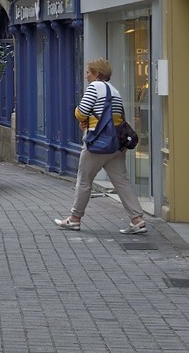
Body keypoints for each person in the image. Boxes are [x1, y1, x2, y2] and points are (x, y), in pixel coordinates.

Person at [56, 59, 147, 234]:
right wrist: (89, 121)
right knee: (121, 181)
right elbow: (113, 117)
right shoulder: (114, 90)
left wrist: (80, 117)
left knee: (84, 181)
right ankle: (137, 219)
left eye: (89, 72)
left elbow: (81, 112)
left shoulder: (94, 88)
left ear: (97, 73)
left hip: (98, 145)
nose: (86, 75)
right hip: (116, 145)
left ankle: (74, 219)